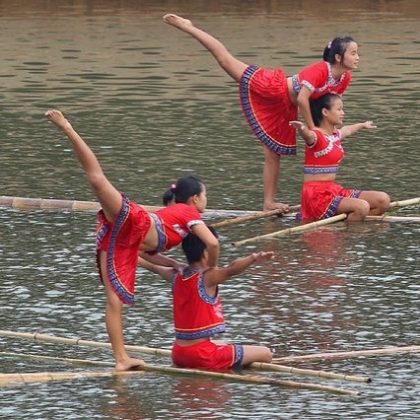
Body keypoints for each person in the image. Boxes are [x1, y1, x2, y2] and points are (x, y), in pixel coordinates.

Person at [45, 109, 220, 371]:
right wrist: (211, 268)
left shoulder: (177, 215)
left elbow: (146, 252)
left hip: (125, 241)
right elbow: (213, 244)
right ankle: (67, 127)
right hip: (135, 223)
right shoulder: (190, 212)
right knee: (96, 179)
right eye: (206, 195)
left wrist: (168, 263)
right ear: (195, 199)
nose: (206, 201)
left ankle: (121, 359)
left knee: (113, 299)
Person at [163, 14, 359, 212]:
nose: (357, 57)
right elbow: (302, 99)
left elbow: (325, 106)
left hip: (286, 107)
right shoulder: (321, 70)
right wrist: (314, 130)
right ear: (338, 57)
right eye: (353, 53)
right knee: (225, 61)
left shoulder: (344, 79)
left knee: (273, 153)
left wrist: (327, 135)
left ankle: (268, 202)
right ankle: (189, 27)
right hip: (273, 88)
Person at [139, 226, 274, 370]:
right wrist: (253, 258)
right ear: (206, 253)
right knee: (266, 353)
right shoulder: (207, 277)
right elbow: (231, 269)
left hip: (178, 353)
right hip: (202, 356)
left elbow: (150, 265)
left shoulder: (175, 276)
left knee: (221, 343)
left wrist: (127, 253)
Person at [289, 93, 390, 221]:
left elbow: (347, 129)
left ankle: (351, 221)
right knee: (362, 207)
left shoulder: (335, 135)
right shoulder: (316, 136)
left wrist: (362, 125)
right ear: (325, 112)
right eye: (339, 109)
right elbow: (308, 136)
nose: (343, 113)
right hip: (316, 196)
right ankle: (349, 232)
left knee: (383, 200)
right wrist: (302, 128)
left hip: (333, 190)